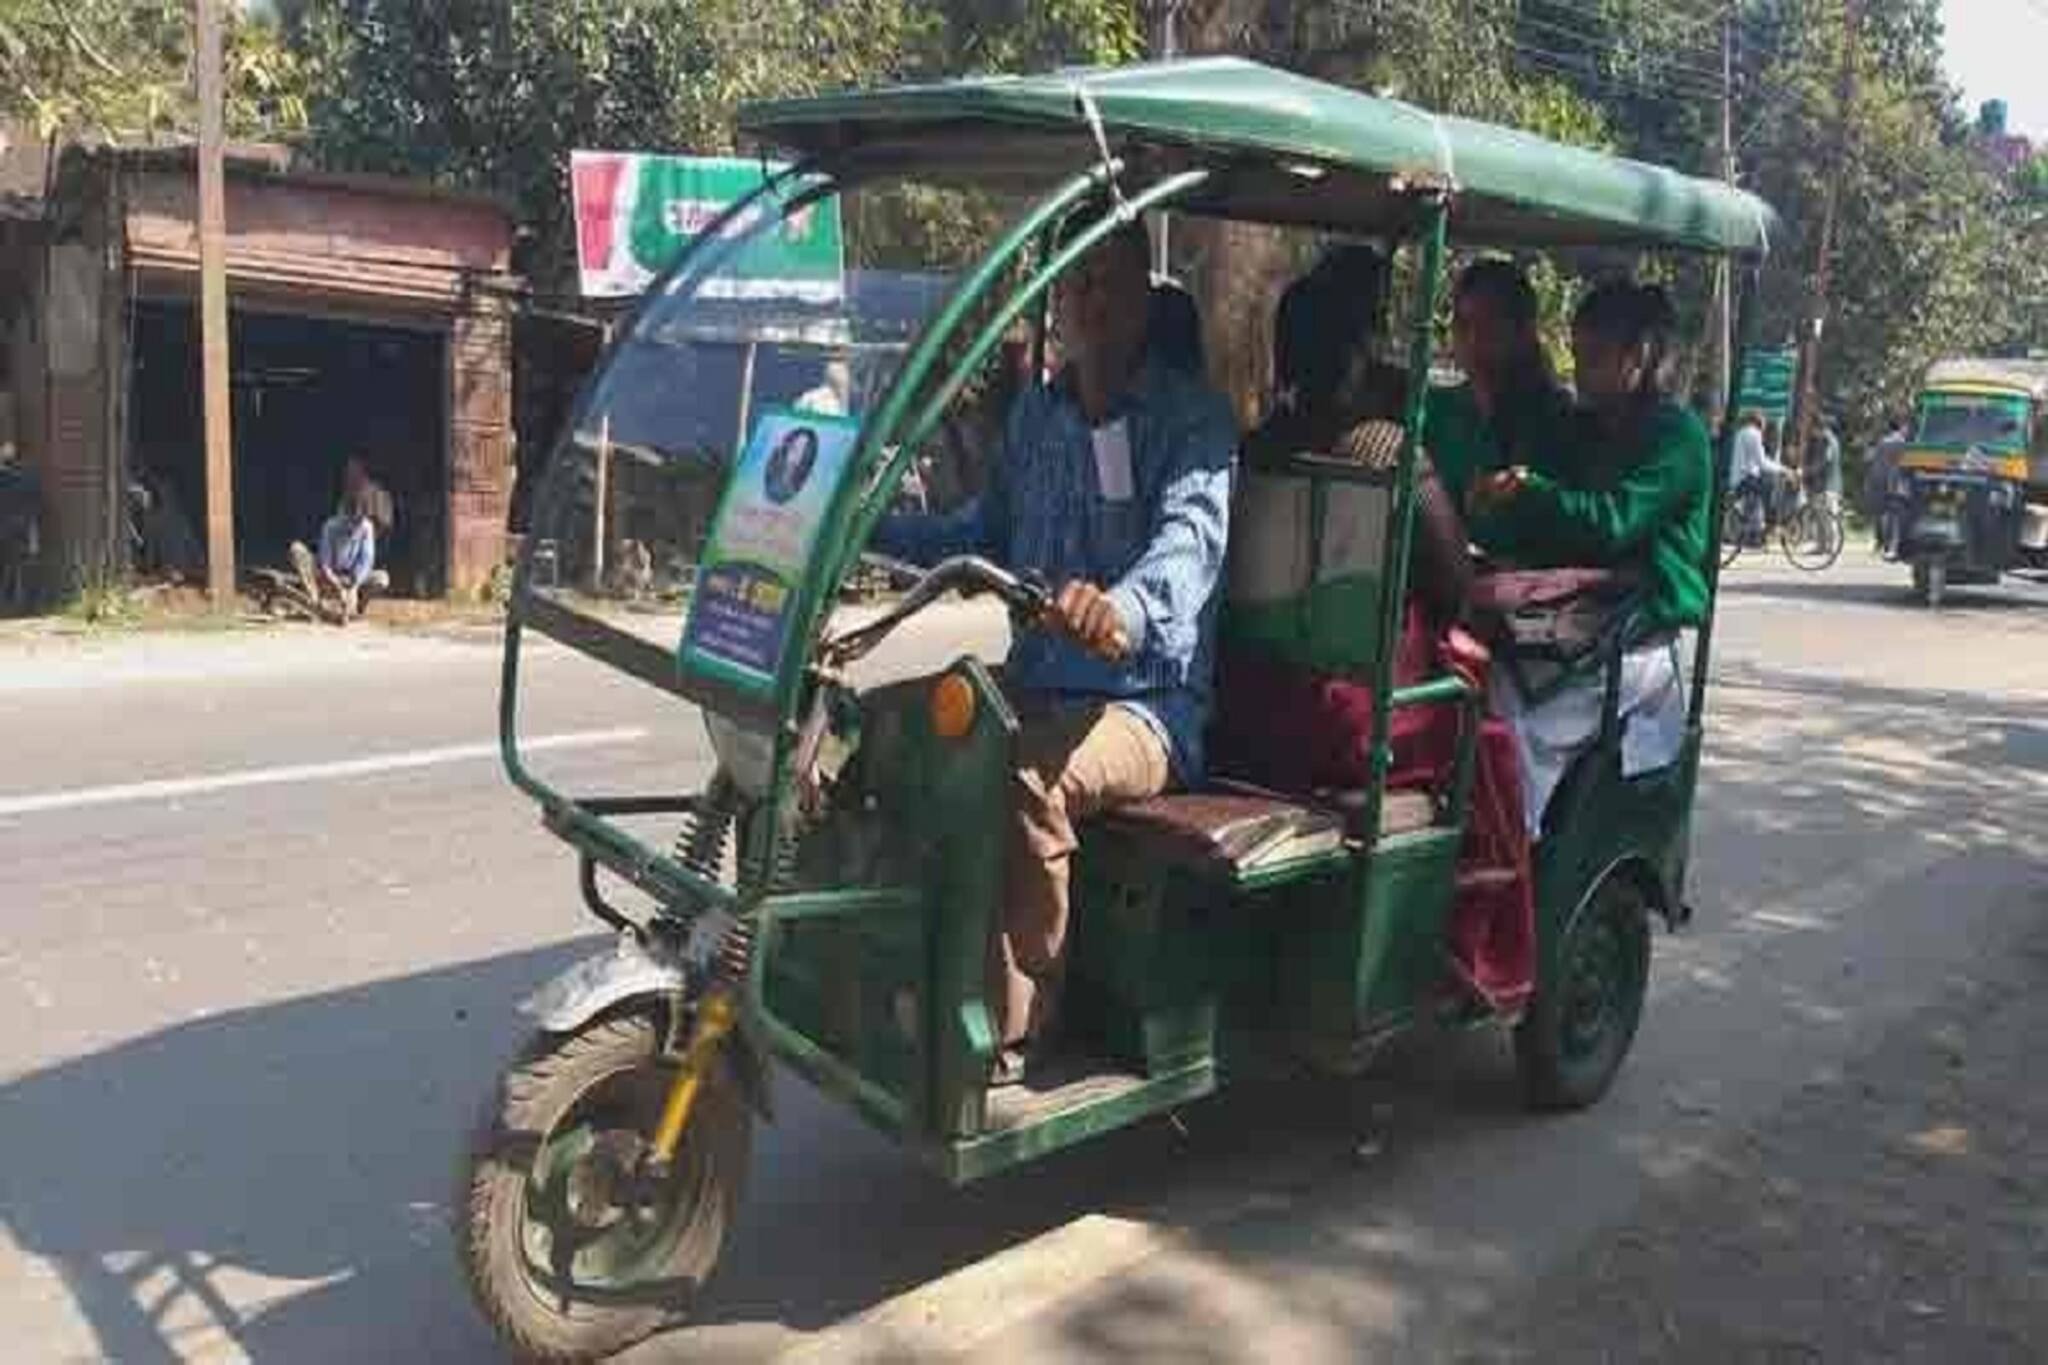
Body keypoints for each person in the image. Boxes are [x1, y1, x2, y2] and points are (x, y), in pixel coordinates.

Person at [872, 203, 1236, 1085]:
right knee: (885, 726)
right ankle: (906, 960)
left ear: (1144, 297)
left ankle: (1013, 1031)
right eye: (1076, 283)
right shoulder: (1039, 415)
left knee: (1025, 775)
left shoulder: (1193, 422)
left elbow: (1187, 549)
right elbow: (982, 531)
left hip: (1145, 706)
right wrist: (870, 531)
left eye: (1109, 282)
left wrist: (1119, 610)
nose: (1090, 301)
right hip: (1037, 679)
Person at [1468, 280, 1711, 833]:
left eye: (1595, 358)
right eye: (1577, 356)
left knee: (1522, 735)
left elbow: (1609, 523)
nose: (1580, 372)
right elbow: (1539, 509)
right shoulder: (1582, 427)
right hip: (1573, 622)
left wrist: (1532, 492)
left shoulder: (1677, 438)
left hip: (1635, 637)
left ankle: (1511, 855)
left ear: (1639, 356)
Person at [1425, 258, 1575, 513]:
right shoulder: (1436, 408)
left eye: (1489, 326)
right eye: (1463, 325)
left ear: (1524, 332)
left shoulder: (1556, 417)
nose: (1473, 341)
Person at [290, 488, 388, 624]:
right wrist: (338, 586)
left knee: (382, 579)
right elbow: (325, 564)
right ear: (342, 514)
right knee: (296, 549)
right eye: (351, 520)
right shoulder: (330, 526)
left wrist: (354, 587)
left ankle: (356, 609)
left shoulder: (366, 527)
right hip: (327, 577)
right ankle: (315, 601)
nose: (354, 527)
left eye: (358, 521)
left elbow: (366, 562)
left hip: (350, 578)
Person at [1728, 410, 1791, 541]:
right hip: (1746, 478)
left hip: (1738, 477)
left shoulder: (1741, 433)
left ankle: (1752, 528)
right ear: (1759, 422)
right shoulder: (1754, 434)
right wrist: (1783, 470)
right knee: (1771, 487)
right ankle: (1770, 524)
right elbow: (1762, 462)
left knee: (1758, 494)